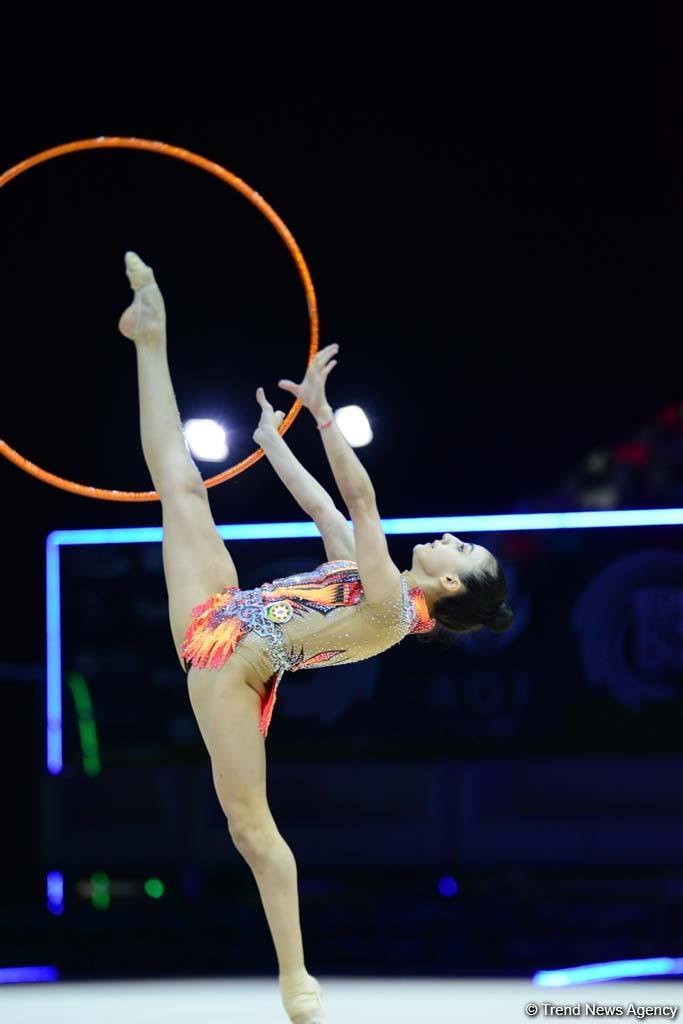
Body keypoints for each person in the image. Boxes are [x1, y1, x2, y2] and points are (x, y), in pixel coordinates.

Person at [118, 251, 512, 1023]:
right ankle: (149, 336)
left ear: (450, 587)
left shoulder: (391, 608)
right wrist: (272, 443)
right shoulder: (381, 583)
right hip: (219, 613)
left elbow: (360, 501)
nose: (453, 536)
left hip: (232, 669)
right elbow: (327, 513)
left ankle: (297, 981)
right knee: (183, 486)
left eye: (463, 552)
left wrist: (324, 411)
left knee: (250, 827)